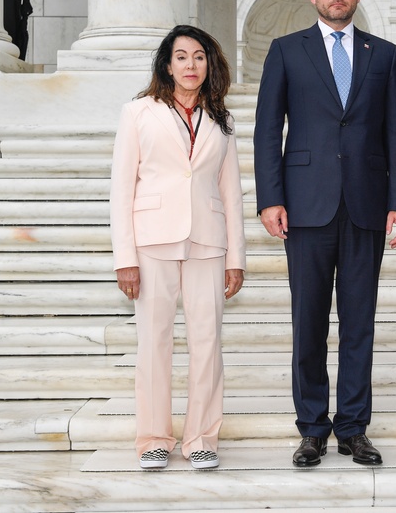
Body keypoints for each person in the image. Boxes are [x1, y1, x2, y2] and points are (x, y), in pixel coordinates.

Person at [253, 0, 396, 467]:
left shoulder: (384, 55)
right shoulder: (285, 51)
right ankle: (312, 427)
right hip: (305, 206)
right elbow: (265, 131)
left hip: (366, 205)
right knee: (309, 321)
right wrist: (270, 197)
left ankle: (353, 427)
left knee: (360, 321)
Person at [110, 25, 246, 471]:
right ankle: (152, 437)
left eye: (199, 57)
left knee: (207, 342)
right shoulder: (137, 113)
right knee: (154, 341)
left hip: (208, 241)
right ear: (167, 65)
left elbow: (231, 192)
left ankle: (202, 436)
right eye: (182, 57)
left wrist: (237, 258)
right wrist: (124, 258)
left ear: (210, 64)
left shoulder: (221, 119)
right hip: (152, 240)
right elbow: (121, 187)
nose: (191, 65)